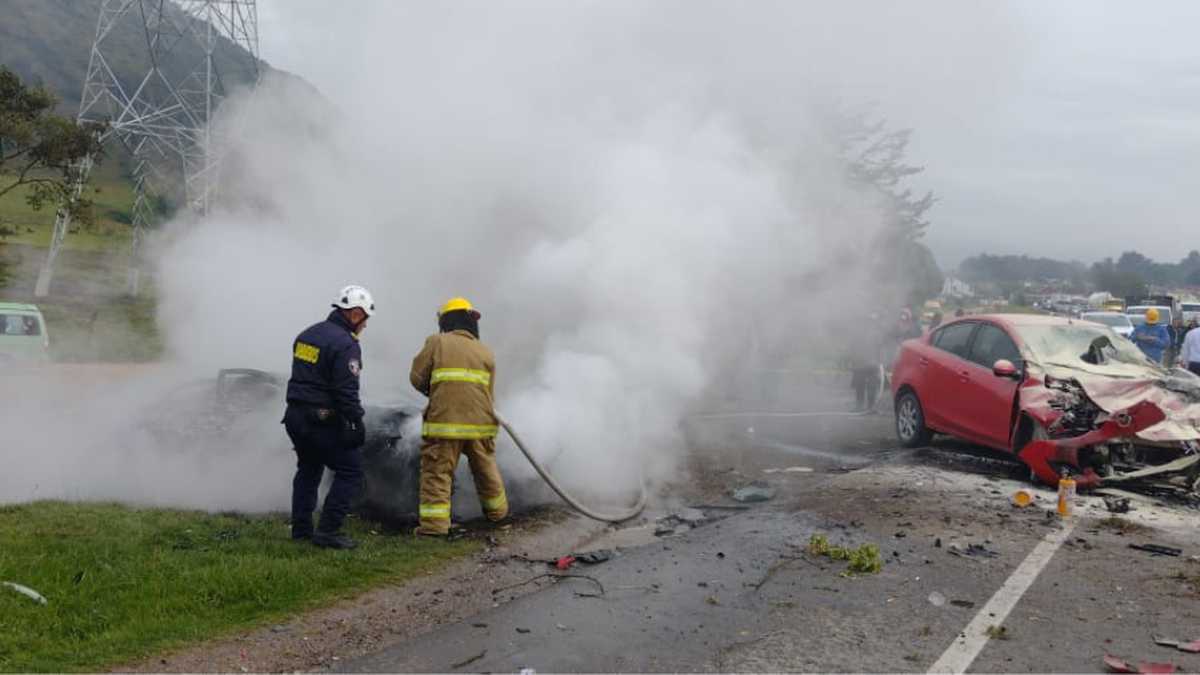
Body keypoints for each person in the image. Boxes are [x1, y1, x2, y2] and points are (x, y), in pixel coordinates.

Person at [282, 285, 374, 549]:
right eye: (365, 319)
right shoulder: (346, 344)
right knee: (351, 471)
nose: (365, 326)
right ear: (356, 314)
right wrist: (356, 420)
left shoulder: (307, 335)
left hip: (295, 416)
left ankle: (301, 531)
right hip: (320, 419)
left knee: (308, 470)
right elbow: (346, 390)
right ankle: (328, 531)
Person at [410, 297, 508, 536]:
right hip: (481, 424)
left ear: (446, 321)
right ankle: (498, 513)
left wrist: (434, 390)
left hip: (446, 423)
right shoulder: (485, 350)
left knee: (438, 472)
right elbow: (489, 392)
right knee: (485, 469)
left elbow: (416, 377)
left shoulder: (437, 342)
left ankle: (434, 527)